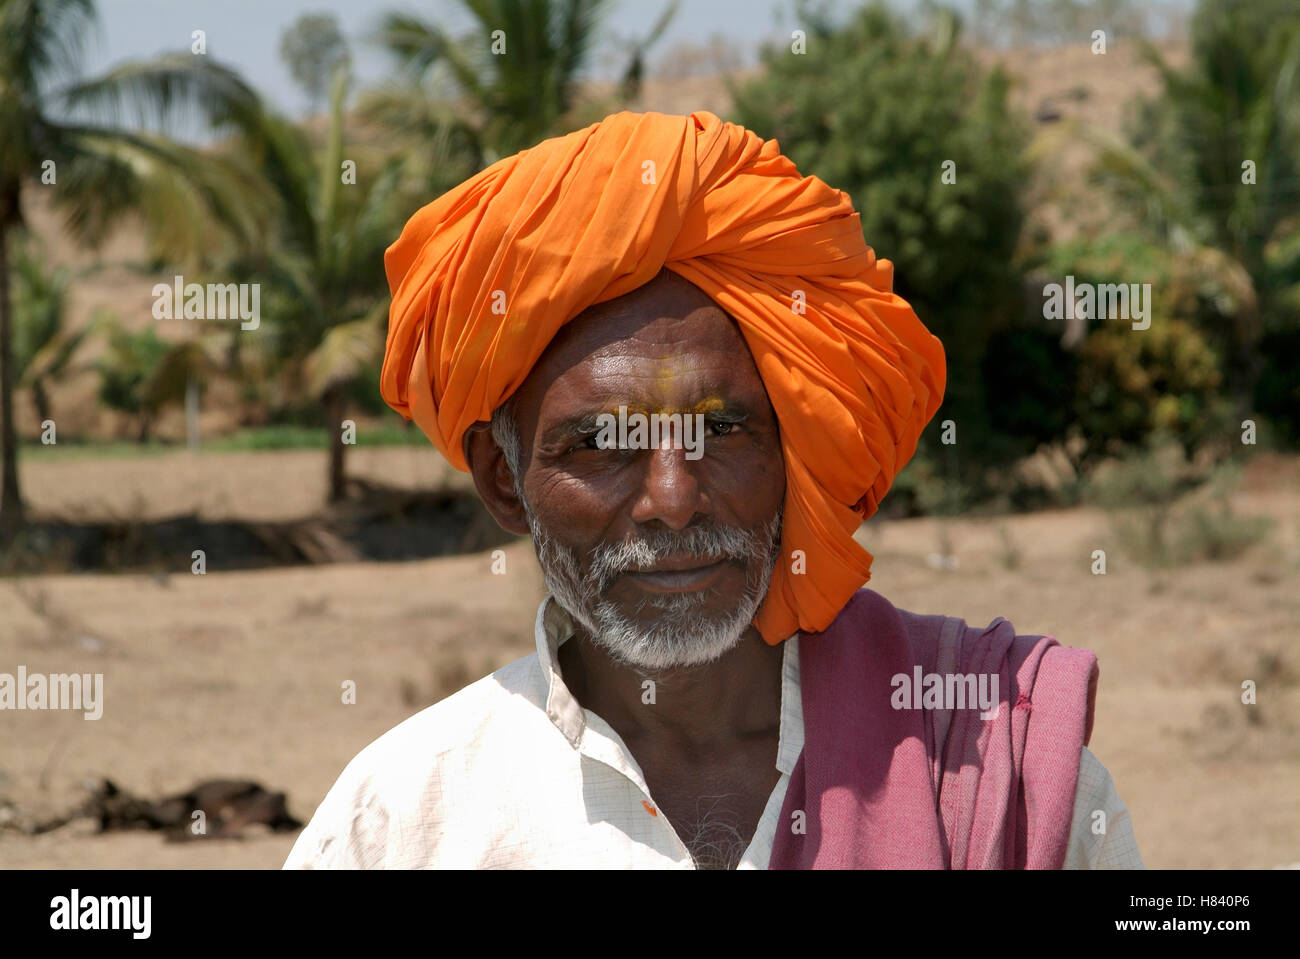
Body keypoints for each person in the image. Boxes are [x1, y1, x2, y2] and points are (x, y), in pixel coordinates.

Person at [283, 111, 1142, 870]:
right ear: (503, 480)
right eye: (602, 445)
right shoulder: (400, 826)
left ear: (790, 446)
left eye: (721, 431)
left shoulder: (1000, 765)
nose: (673, 497)